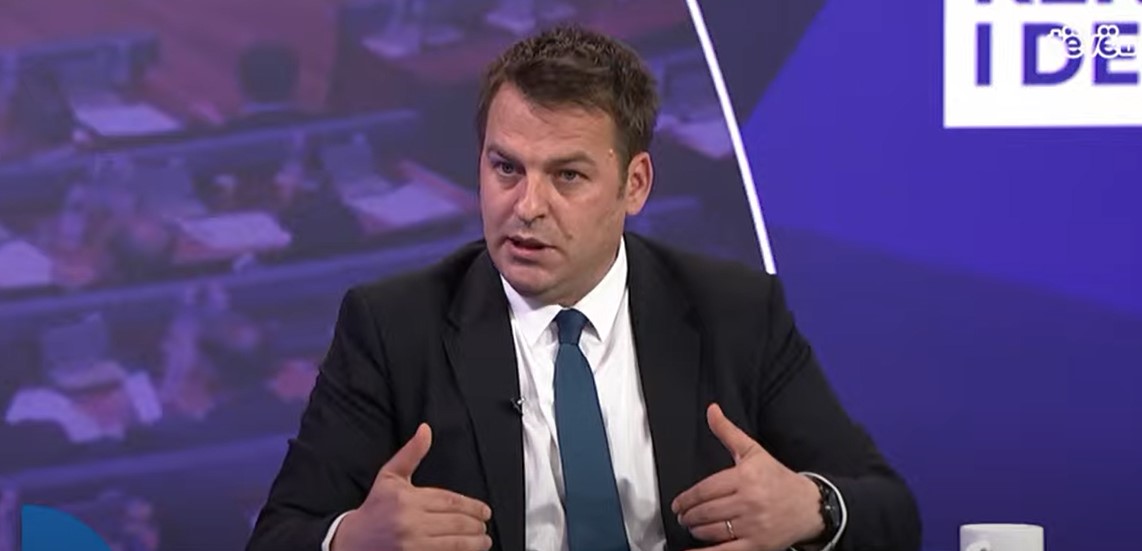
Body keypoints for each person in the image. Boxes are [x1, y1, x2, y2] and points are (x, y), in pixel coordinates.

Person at [246, 25, 921, 551]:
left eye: (567, 176)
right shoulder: (393, 327)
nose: (526, 206)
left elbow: (891, 511)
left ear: (635, 185)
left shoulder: (735, 312)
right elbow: (279, 535)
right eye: (505, 167)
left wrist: (811, 506)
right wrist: (352, 538)